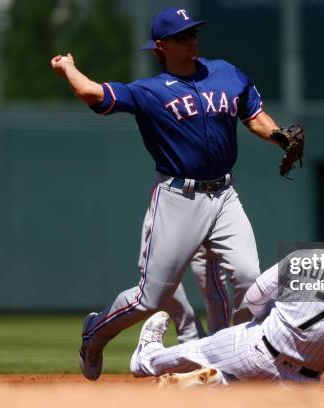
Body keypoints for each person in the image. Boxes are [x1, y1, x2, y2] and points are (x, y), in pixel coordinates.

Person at [50, 7, 296, 381]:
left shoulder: (225, 73)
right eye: (181, 37)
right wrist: (68, 68)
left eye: (193, 33)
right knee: (148, 299)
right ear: (160, 47)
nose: (191, 40)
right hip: (178, 197)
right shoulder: (149, 92)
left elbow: (255, 117)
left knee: (249, 279)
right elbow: (92, 94)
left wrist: (279, 137)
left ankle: (240, 363)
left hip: (225, 195)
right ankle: (94, 334)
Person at [130, 203, 324, 383]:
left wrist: (264, 320)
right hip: (301, 383)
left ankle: (147, 359)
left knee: (199, 349)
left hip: (256, 350)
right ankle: (213, 383)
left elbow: (254, 296)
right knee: (251, 387)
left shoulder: (305, 257)